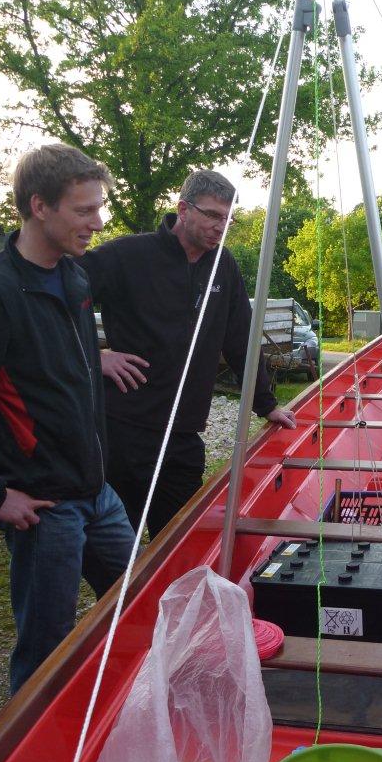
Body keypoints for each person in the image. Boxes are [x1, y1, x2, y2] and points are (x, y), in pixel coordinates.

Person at [79, 170, 296, 538]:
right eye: (212, 215)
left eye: (228, 218)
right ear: (183, 209)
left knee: (181, 543)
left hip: (183, 435)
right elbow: (57, 296)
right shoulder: (127, 255)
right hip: (124, 431)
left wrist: (266, 403)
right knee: (116, 550)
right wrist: (93, 356)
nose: (220, 226)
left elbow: (240, 338)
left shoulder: (223, 265)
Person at [0, 144, 135, 693]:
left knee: (140, 601)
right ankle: (32, 742)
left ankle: (120, 706)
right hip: (45, 506)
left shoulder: (74, 277)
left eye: (99, 208)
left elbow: (50, 359)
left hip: (99, 494)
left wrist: (94, 357)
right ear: (39, 206)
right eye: (84, 210)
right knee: (45, 651)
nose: (97, 223)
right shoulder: (0, 293)